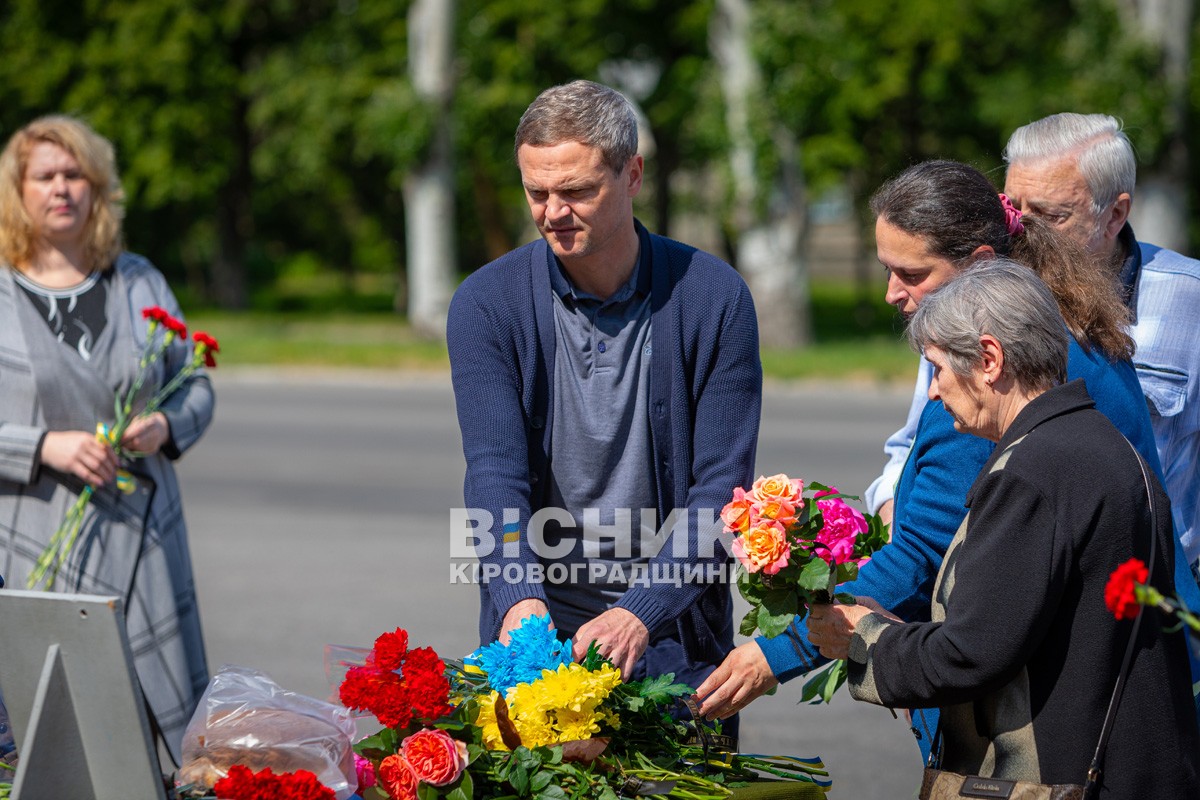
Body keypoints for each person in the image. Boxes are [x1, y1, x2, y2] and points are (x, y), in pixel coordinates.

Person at [696, 160, 1181, 754]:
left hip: (1073, 708)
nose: (891, 293)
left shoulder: (990, 386)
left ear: (978, 264)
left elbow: (922, 553)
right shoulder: (1057, 318)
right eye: (886, 269)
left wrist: (775, 653)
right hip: (1146, 660)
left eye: (911, 273)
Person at [807, 260, 1200, 795]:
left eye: (937, 367)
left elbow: (971, 655)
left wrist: (863, 639)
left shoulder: (1032, 472)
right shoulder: (1103, 445)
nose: (932, 392)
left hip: (1071, 779)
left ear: (989, 360)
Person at [446, 81, 761, 695]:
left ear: (633, 174)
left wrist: (639, 611)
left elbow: (721, 488)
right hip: (536, 631)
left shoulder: (715, 298)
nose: (552, 213)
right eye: (536, 192)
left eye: (577, 191)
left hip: (674, 631)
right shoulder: (485, 304)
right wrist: (516, 599)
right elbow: (493, 473)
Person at [0, 116, 213, 756]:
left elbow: (196, 384)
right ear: (19, 189)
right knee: (45, 738)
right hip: (32, 540)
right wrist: (42, 446)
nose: (61, 189)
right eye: (45, 176)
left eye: (75, 175)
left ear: (97, 189)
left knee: (149, 740)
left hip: (142, 541)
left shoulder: (139, 280)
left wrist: (166, 425)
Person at [1003, 112, 1200, 584]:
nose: (1022, 233)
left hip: (1143, 598)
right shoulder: (983, 291)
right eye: (1011, 208)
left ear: (1115, 213)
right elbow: (912, 446)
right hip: (1005, 590)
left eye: (1051, 216)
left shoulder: (1188, 298)